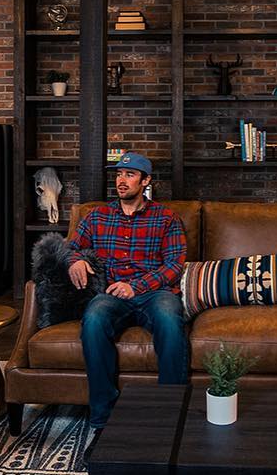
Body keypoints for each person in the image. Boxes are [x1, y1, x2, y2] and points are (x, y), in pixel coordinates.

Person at [67, 152, 188, 430]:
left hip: (154, 292)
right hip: (111, 293)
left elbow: (174, 265)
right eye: (119, 175)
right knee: (94, 319)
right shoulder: (97, 216)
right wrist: (77, 261)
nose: (122, 181)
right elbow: (70, 248)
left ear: (145, 181)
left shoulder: (166, 218)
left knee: (170, 321)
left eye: (130, 175)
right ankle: (103, 417)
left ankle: (171, 412)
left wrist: (136, 287)